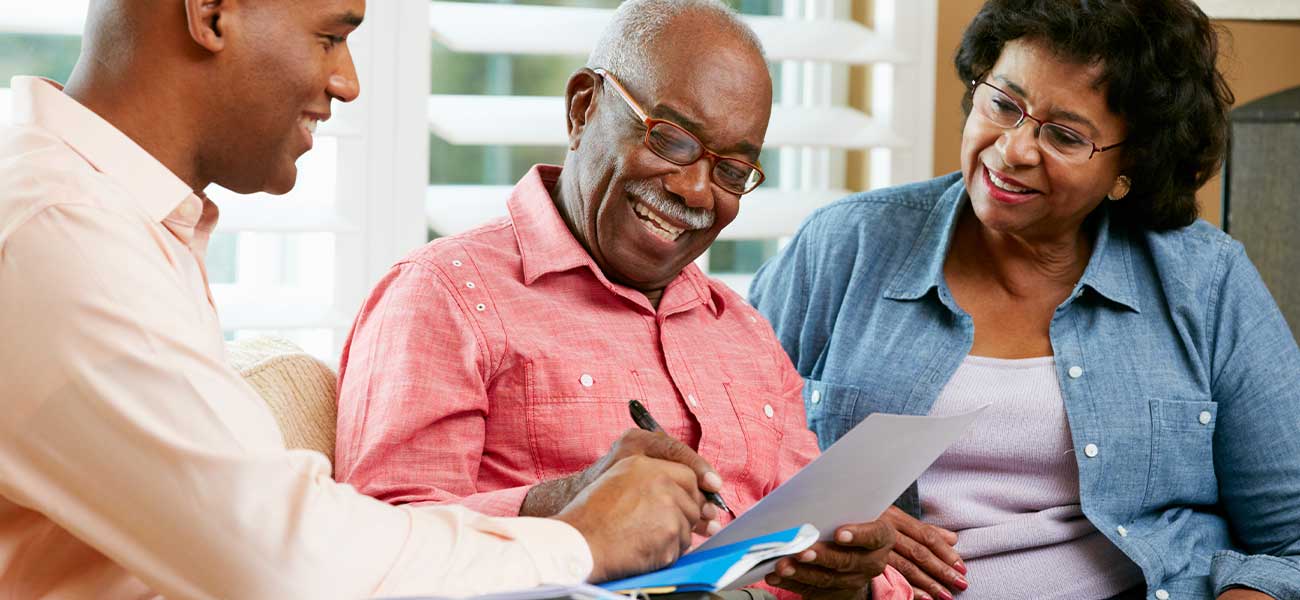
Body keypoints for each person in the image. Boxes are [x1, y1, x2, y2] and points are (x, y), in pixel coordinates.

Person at [0, 1, 719, 597]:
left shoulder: (110, 220)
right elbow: (285, 562)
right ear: (212, 13)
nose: (347, 83)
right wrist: (580, 542)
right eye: (331, 37)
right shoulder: (56, 232)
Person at [333, 0, 910, 598]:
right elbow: (381, 542)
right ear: (583, 108)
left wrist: (851, 580)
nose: (695, 190)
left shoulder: (744, 332)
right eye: (671, 139)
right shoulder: (447, 296)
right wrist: (563, 507)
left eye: (732, 171)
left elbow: (818, 536)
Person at [750, 0, 1300, 599]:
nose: (1013, 150)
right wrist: (829, 521)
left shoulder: (1205, 281)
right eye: (1003, 104)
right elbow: (734, 467)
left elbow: (1290, 539)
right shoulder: (843, 246)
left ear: (1131, 165)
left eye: (1064, 135)